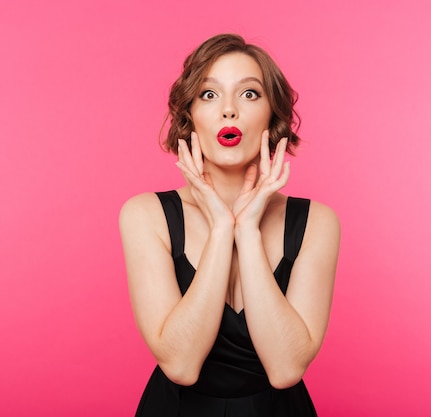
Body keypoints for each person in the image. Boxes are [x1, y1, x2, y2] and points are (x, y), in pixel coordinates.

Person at [119, 33, 340, 416]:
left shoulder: (317, 222)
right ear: (189, 116)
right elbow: (182, 366)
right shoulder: (145, 215)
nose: (229, 111)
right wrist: (222, 227)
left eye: (249, 94)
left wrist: (248, 229)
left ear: (273, 115)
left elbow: (286, 369)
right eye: (209, 94)